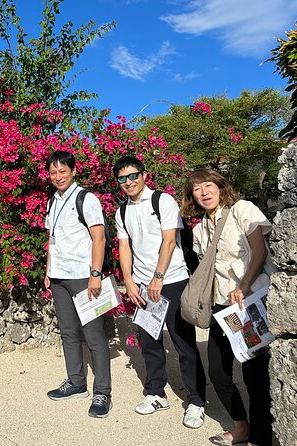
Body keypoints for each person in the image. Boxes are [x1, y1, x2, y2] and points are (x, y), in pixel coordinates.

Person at [113, 155, 206, 429]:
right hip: (142, 285)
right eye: (122, 178)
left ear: (143, 175)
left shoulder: (162, 201)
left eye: (133, 176)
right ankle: (156, 392)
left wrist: (158, 277)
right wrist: (128, 281)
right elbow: (124, 247)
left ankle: (196, 400)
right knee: (149, 341)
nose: (128, 182)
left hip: (173, 279)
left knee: (183, 342)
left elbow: (168, 241)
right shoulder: (122, 211)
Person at [182, 168, 273, 446]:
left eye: (208, 185)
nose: (204, 192)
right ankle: (241, 426)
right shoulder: (199, 229)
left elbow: (260, 251)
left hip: (248, 304)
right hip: (223, 309)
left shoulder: (242, 209)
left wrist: (244, 285)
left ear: (220, 186)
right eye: (197, 189)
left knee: (254, 373)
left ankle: (260, 436)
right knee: (219, 372)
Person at [43, 150, 112, 418]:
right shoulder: (53, 201)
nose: (58, 176)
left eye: (62, 171)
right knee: (68, 332)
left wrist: (95, 274)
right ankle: (76, 382)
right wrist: (48, 271)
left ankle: (102, 392)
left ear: (73, 171)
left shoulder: (86, 198)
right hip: (59, 276)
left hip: (83, 276)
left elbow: (99, 238)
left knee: (94, 335)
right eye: (53, 172)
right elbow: (52, 238)